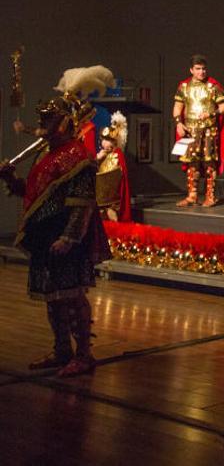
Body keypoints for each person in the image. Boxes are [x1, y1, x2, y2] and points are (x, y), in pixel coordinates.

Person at [1, 68, 113, 377]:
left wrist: (70, 237)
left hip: (67, 238)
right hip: (45, 235)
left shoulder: (76, 155)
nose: (41, 125)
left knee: (72, 295)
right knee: (53, 297)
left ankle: (84, 355)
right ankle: (62, 350)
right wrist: (11, 177)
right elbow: (35, 194)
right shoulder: (46, 155)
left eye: (47, 120)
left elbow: (83, 203)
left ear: (64, 123)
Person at [172, 55, 224, 208]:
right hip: (190, 130)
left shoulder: (213, 86)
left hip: (209, 130)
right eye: (198, 69)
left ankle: (210, 196)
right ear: (191, 70)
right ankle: (192, 195)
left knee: (209, 163)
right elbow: (177, 108)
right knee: (192, 163)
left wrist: (211, 114)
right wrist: (178, 124)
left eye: (204, 69)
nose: (202, 72)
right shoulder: (184, 87)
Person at [95, 111, 131, 222]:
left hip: (112, 195)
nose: (105, 144)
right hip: (101, 193)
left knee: (111, 214)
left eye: (109, 141)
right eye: (104, 140)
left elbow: (118, 175)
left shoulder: (117, 154)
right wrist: (97, 159)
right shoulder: (101, 154)